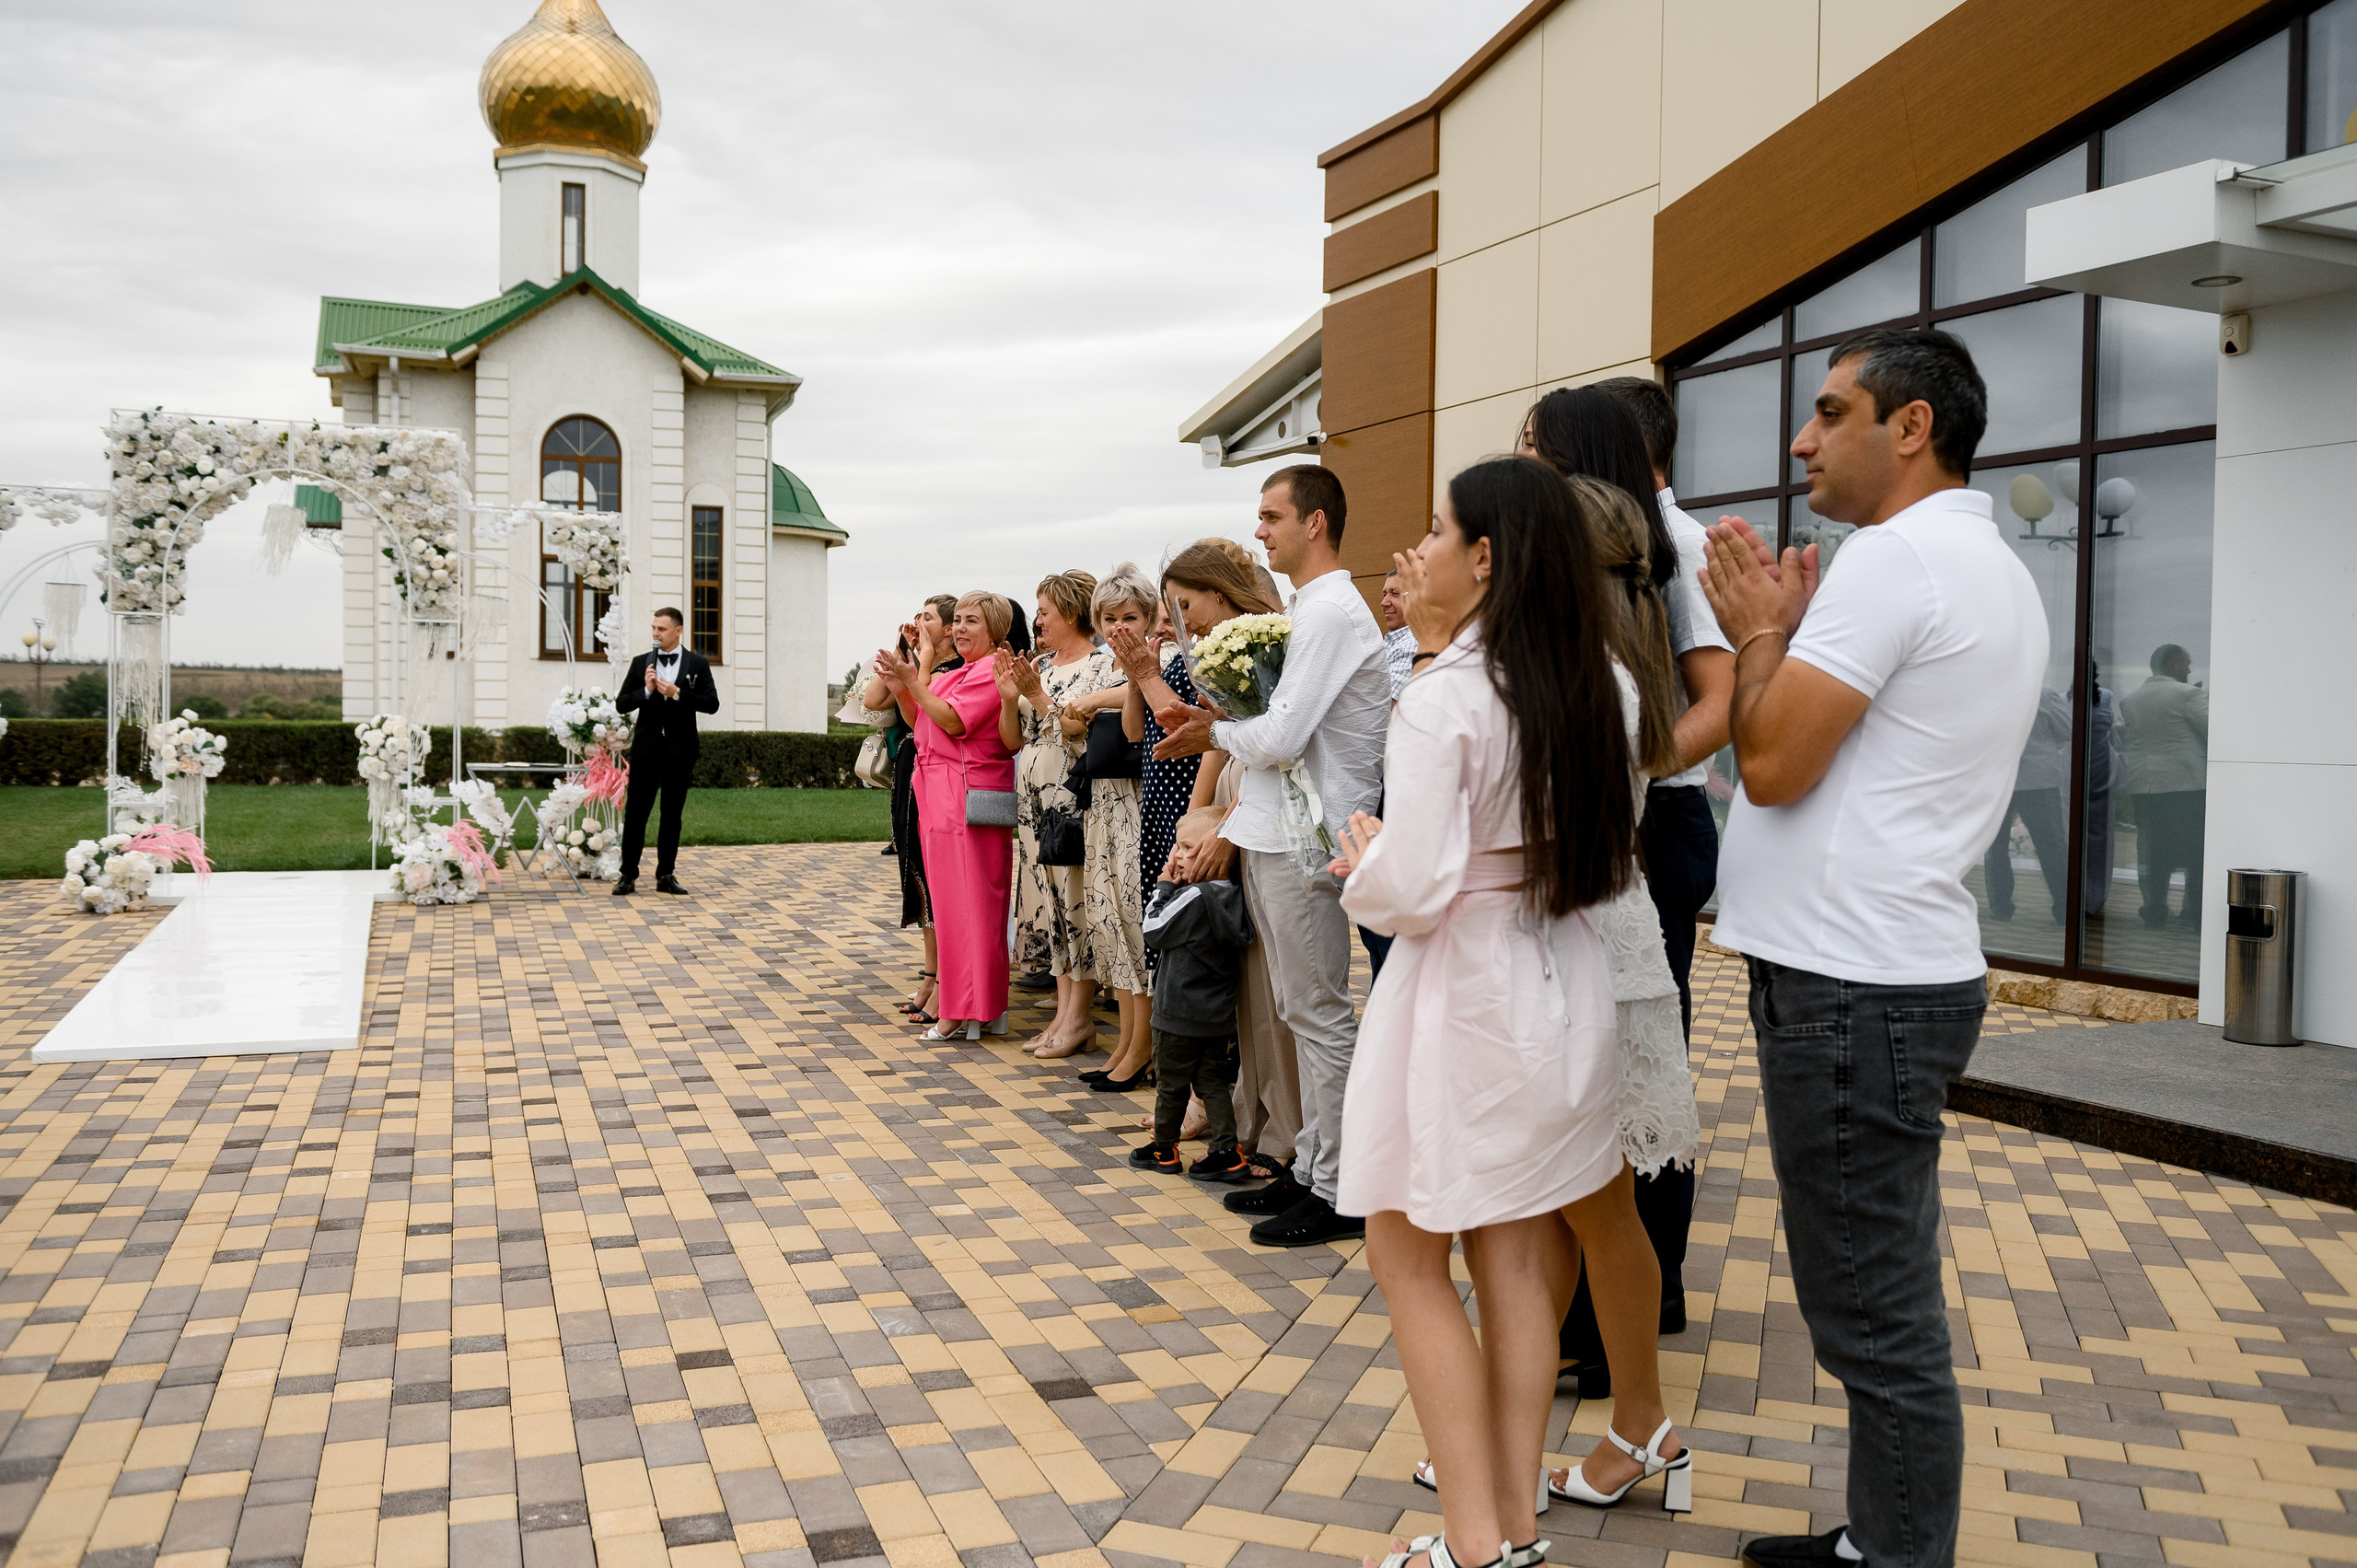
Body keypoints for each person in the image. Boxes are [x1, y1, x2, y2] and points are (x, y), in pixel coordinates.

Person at [1698, 327, 2046, 1568]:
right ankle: (1882, 1539)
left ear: (1911, 426)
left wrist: (1758, 631)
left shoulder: (1895, 559)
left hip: (1855, 984)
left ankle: (1898, 1558)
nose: (1802, 440)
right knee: (1871, 1295)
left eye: (1831, 412)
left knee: (1873, 1313)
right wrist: (1790, 638)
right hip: (1883, 974)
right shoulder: (1986, 562)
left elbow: (1771, 762)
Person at [1337, 458, 1695, 1568]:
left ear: (1485, 556)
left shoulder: (1446, 694)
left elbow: (1413, 888)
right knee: (1518, 1251)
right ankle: (1512, 1525)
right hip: (1567, 968)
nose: (1421, 549)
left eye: (1437, 529)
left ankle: (1472, 1535)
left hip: (1467, 982)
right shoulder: (1607, 683)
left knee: (1406, 1251)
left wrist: (1366, 857)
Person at [1522, 381, 1713, 1372]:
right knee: (1589, 1066)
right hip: (1600, 817)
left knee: (1636, 1061)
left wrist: (1626, 768)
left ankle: (1640, 1299)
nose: (1521, 462)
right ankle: (1601, 1310)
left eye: (1535, 447)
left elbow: (1724, 694)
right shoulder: (1569, 557)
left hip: (1651, 820)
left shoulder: (1669, 545)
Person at [1153, 466, 1389, 1249]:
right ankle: (1314, 1166)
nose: (1259, 531)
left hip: (1308, 833)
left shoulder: (1328, 612)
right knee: (1297, 1009)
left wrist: (1214, 731)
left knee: (1318, 1012)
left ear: (1315, 522)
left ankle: (1343, 1187)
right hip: (1277, 827)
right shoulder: (1308, 609)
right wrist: (1224, 717)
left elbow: (1285, 736)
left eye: (1272, 516)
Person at [1145, 540, 1299, 1177]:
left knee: (1280, 997)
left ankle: (1288, 1135)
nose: (1183, 623)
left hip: (1263, 813)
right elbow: (1221, 739)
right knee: (1249, 994)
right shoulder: (1229, 656)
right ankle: (1253, 1122)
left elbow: (1280, 753)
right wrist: (1198, 823)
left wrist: (1227, 824)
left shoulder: (1275, 650)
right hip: (1238, 802)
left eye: (1185, 606)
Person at [876, 592, 1019, 1042]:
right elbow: (921, 718)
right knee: (950, 907)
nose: (959, 629)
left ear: (994, 630)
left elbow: (956, 722)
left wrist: (914, 682)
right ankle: (968, 1005)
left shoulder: (989, 670)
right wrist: (903, 684)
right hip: (938, 792)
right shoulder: (956, 672)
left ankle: (969, 1007)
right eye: (956, 620)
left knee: (973, 905)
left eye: (971, 621)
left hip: (967, 795)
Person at [1001, 572, 1114, 1060]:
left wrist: (1038, 696)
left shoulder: (1101, 667)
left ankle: (1080, 1018)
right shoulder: (1041, 664)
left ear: (1070, 613)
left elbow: (1082, 736)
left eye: (1044, 611)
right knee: (1050, 904)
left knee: (1074, 900)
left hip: (1072, 795)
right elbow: (1014, 740)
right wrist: (1010, 698)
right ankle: (1063, 1015)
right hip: (1032, 801)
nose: (1038, 620)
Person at [1066, 567, 1158, 1087]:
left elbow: (1139, 711)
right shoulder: (1107, 665)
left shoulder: (1158, 658)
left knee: (1135, 922)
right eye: (1109, 618)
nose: (1119, 627)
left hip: (1140, 802)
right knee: (1110, 921)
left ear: (1149, 618)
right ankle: (1126, 1040)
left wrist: (1096, 699)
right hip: (1103, 802)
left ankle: (1143, 1046)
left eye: (1130, 617)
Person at [1132, 806, 1255, 1183]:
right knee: (1212, 1083)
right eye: (1177, 846)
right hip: (1216, 1018)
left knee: (1171, 1085)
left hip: (1177, 1014)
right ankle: (1227, 1152)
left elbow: (1153, 929)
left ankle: (1164, 1149)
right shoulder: (1233, 895)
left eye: (1187, 847)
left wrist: (1163, 888)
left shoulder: (1195, 896)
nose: (1177, 856)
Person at [866, 593, 960, 1022]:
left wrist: (920, 663)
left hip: (937, 772)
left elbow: (924, 716)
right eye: (918, 616)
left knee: (933, 875)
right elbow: (874, 700)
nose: (918, 623)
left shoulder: (955, 670)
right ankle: (930, 973)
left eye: (928, 618)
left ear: (949, 628)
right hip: (909, 769)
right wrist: (902, 649)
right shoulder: (917, 662)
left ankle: (941, 979)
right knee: (915, 873)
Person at [614, 607, 717, 896]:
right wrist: (646, 691)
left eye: (661, 629)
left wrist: (677, 693)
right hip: (646, 752)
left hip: (679, 752)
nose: (656, 634)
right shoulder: (641, 663)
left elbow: (712, 704)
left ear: (678, 631)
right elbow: (622, 703)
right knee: (636, 815)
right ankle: (627, 875)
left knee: (671, 816)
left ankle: (666, 875)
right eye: (653, 628)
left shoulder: (698, 664)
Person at [2118, 642, 2209, 929]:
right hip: (2185, 784)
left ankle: (2154, 909)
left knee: (2153, 850)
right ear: (2173, 665)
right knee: (2195, 850)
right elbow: (2212, 732)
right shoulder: (2188, 694)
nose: (2190, 670)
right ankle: (2194, 910)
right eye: (2186, 664)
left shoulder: (2130, 700)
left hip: (2144, 785)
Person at [1982, 687, 2072, 924]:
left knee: (1995, 846)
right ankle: (2064, 908)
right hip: (2039, 778)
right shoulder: (2044, 695)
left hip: (1997, 777)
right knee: (2052, 845)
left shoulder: (1988, 693)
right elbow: (2067, 730)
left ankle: (2001, 907)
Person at [1378, 566, 1416, 700]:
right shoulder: (1394, 642)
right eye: (1384, 594)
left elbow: (1387, 706)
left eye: (1394, 593)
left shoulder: (1412, 645)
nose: (1384, 603)